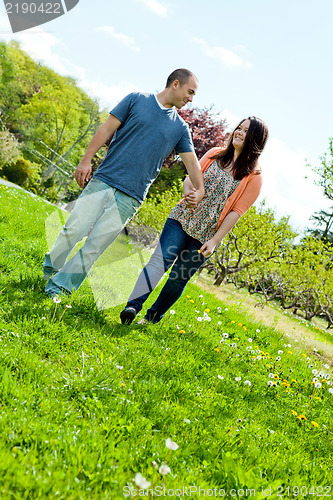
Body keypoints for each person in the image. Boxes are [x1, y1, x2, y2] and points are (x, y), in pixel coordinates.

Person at [42, 69, 205, 297]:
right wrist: (86, 160)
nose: (191, 98)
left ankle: (59, 287)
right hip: (104, 180)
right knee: (74, 230)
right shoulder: (136, 100)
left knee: (94, 247)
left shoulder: (180, 128)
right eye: (190, 92)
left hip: (131, 196)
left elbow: (192, 164)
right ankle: (50, 268)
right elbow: (106, 129)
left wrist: (201, 189)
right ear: (175, 84)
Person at [120, 116, 269, 325]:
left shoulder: (254, 176)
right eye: (239, 128)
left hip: (207, 234)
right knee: (158, 262)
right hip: (182, 217)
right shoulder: (214, 154)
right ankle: (132, 307)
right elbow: (190, 178)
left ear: (255, 139)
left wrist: (215, 240)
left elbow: (236, 212)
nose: (238, 132)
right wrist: (189, 192)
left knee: (178, 278)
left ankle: (151, 318)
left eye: (246, 131)